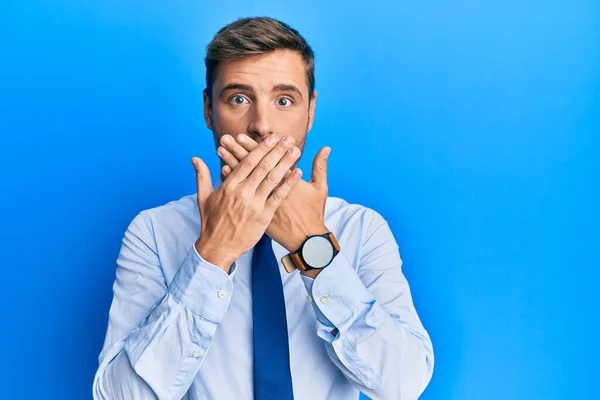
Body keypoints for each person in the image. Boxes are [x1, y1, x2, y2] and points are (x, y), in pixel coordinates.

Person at [92, 16, 434, 400]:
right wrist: (213, 254)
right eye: (238, 99)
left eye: (284, 100)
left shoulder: (362, 228)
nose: (262, 125)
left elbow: (403, 386)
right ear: (208, 109)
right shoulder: (154, 232)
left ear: (310, 111)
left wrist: (313, 247)